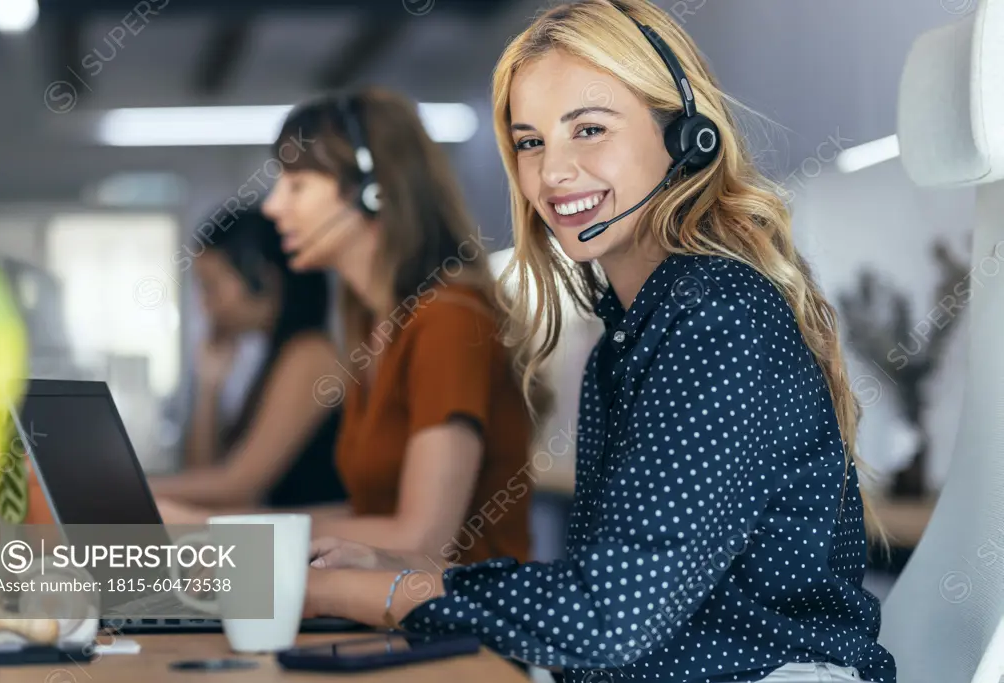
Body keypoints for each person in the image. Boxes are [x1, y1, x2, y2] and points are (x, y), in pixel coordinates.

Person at [298, 2, 898, 683]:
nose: (552, 172)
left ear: (683, 134)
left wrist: (383, 594)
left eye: (588, 129)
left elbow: (609, 616)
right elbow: (609, 596)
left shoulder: (715, 316)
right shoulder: (634, 330)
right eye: (530, 142)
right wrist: (415, 576)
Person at [240, 86, 543, 567]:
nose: (273, 206)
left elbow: (420, 537)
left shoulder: (449, 320)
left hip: (466, 631)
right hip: (391, 614)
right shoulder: (375, 326)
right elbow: (370, 518)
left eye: (296, 185)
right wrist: (220, 528)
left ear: (372, 191)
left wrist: (220, 532)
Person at [150, 205, 346, 511]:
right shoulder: (272, 355)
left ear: (262, 279)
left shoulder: (310, 354)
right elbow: (204, 475)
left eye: (211, 287)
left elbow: (237, 485)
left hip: (316, 547)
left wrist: (133, 488)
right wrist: (208, 388)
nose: (205, 305)